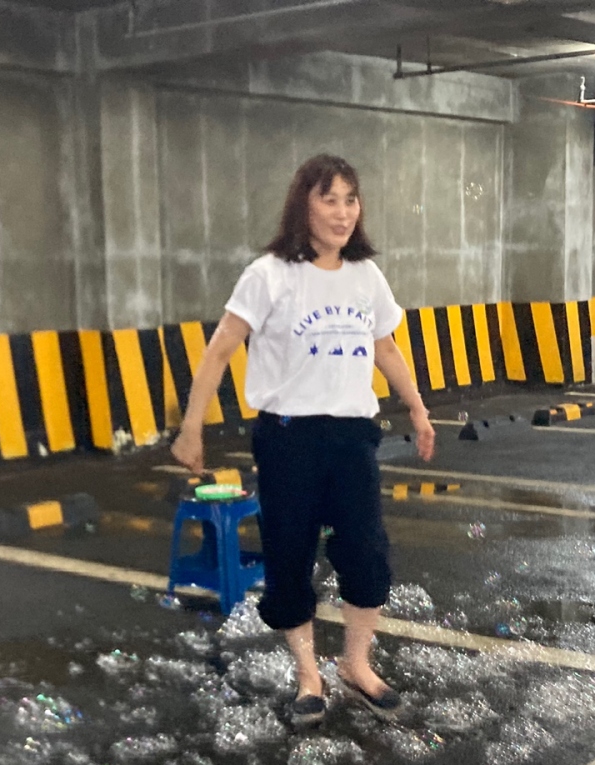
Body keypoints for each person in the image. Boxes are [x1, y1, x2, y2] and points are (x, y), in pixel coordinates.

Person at [171, 155, 435, 726]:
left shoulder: (366, 275)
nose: (342, 212)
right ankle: (308, 675)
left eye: (350, 199)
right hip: (288, 437)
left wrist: (417, 408)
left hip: (352, 436)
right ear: (303, 206)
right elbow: (220, 348)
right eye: (329, 199)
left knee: (366, 552)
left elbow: (386, 347)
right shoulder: (268, 274)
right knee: (290, 555)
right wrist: (191, 427)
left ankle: (356, 665)